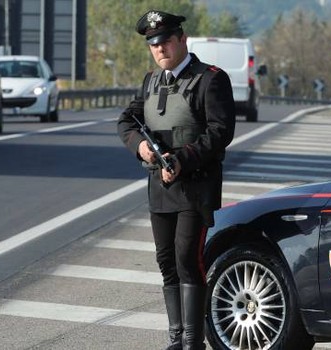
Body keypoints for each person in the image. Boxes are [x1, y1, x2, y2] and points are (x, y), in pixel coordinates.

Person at [117, 10, 235, 350]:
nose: (160, 49)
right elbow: (126, 120)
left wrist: (182, 159)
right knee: (166, 261)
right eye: (154, 44)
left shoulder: (211, 79)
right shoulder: (151, 81)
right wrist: (141, 147)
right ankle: (175, 338)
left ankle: (191, 342)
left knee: (188, 260)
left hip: (195, 187)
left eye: (166, 41)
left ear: (182, 39)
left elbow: (219, 132)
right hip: (161, 187)